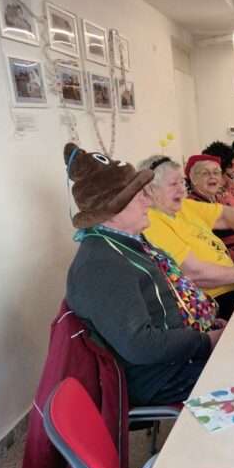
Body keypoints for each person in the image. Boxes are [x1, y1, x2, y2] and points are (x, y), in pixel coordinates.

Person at [63, 143, 220, 406]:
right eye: (138, 197)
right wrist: (204, 341)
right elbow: (140, 345)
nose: (148, 201)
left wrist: (205, 325)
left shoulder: (124, 242)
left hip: (175, 356)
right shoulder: (101, 265)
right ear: (111, 210)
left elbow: (167, 300)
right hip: (159, 376)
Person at [139, 155, 234, 320]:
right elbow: (195, 273)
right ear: (151, 189)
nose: (181, 190)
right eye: (173, 184)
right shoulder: (151, 222)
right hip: (212, 304)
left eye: (182, 182)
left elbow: (225, 215)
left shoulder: (182, 207)